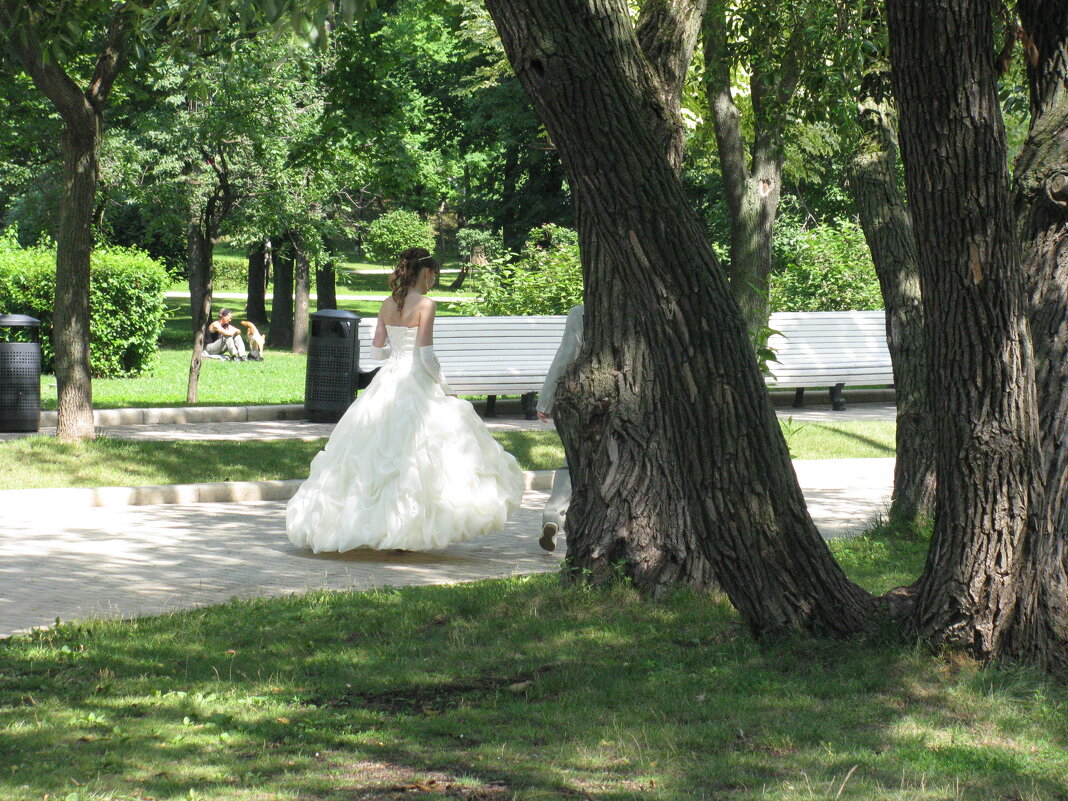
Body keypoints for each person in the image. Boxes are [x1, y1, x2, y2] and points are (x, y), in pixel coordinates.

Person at [286, 247, 525, 552]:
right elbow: (426, 355)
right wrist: (445, 385)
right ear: (426, 273)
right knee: (419, 454)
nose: (433, 281)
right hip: (416, 381)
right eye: (434, 275)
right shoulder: (426, 304)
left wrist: (395, 356)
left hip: (388, 380)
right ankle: (405, 531)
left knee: (376, 453)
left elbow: (376, 351)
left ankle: (377, 527)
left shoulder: (388, 304)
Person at [536, 303, 584, 552]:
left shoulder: (582, 312)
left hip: (589, 398)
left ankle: (553, 516)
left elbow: (568, 354)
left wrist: (547, 399)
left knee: (571, 461)